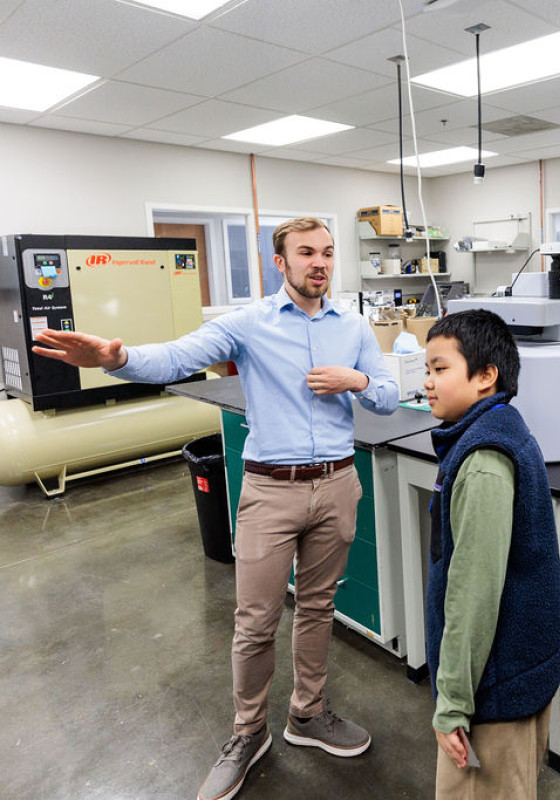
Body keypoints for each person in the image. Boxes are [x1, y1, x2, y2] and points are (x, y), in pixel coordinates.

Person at [32, 218, 399, 800]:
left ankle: (308, 714)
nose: (320, 263)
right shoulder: (249, 324)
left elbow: (387, 397)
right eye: (306, 252)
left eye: (328, 252)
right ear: (280, 262)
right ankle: (248, 733)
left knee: (319, 607)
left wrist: (357, 378)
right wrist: (117, 355)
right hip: (270, 492)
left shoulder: (353, 326)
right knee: (254, 623)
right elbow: (177, 357)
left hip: (336, 484)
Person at [421, 309, 560, 799]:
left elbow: (473, 593)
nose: (427, 383)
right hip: (515, 671)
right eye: (428, 370)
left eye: (441, 369)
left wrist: (453, 705)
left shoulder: (483, 462)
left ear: (486, 376)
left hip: (493, 691)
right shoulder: (501, 426)